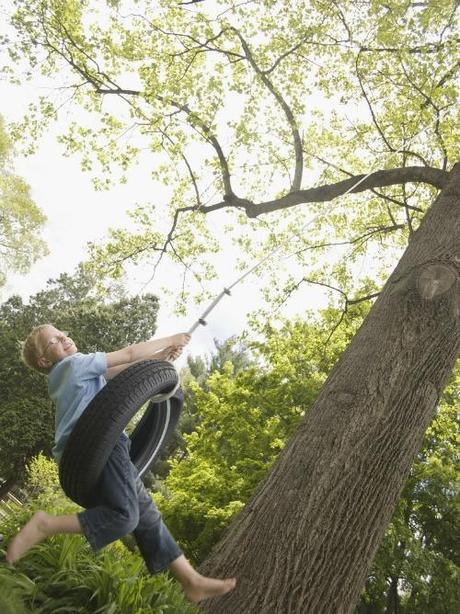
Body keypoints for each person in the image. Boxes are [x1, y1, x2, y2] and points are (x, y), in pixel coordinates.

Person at [6, 324, 236, 604]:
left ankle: (191, 580)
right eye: (55, 340)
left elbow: (129, 372)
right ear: (44, 360)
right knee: (124, 517)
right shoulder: (76, 365)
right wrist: (172, 338)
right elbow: (128, 355)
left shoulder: (68, 376)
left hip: (83, 458)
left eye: (64, 333)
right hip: (101, 445)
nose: (65, 338)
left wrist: (163, 356)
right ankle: (45, 525)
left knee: (147, 515)